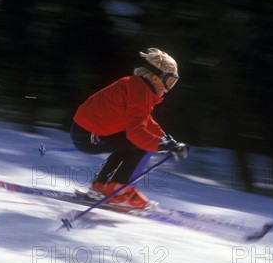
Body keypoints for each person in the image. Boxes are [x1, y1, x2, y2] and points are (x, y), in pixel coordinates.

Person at [70, 47, 188, 209]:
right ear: (154, 78)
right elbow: (138, 133)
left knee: (135, 140)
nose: (168, 89)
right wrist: (162, 144)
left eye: (173, 83)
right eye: (169, 82)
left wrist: (166, 140)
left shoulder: (138, 87)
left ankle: (101, 186)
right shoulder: (140, 92)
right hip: (89, 135)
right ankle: (120, 190)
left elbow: (145, 122)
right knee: (142, 143)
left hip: (86, 132)